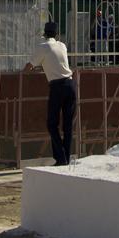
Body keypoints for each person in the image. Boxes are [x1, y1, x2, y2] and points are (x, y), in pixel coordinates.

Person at [26, 21, 77, 166]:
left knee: (51, 124)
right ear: (56, 34)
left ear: (44, 33)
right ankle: (64, 158)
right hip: (70, 84)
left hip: (57, 87)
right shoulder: (62, 46)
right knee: (67, 126)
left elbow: (29, 66)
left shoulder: (42, 47)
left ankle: (60, 157)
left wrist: (24, 72)